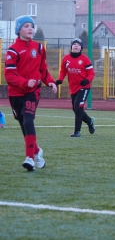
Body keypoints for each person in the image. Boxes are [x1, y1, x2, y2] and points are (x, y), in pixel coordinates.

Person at [4, 15, 57, 171]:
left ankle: (29, 158)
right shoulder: (12, 51)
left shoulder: (39, 48)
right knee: (23, 125)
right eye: (26, 26)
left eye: (32, 26)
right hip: (15, 93)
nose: (30, 29)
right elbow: (9, 75)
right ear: (19, 29)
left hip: (32, 92)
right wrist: (24, 82)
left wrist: (51, 81)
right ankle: (37, 150)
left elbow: (43, 70)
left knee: (28, 121)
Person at [56, 38, 95, 137]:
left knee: (78, 107)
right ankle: (90, 121)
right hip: (73, 88)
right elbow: (63, 71)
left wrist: (87, 80)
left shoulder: (85, 59)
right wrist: (60, 79)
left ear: (81, 48)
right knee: (76, 109)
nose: (76, 46)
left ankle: (77, 131)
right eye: (74, 44)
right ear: (71, 46)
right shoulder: (66, 58)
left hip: (84, 87)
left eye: (78, 44)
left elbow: (91, 73)